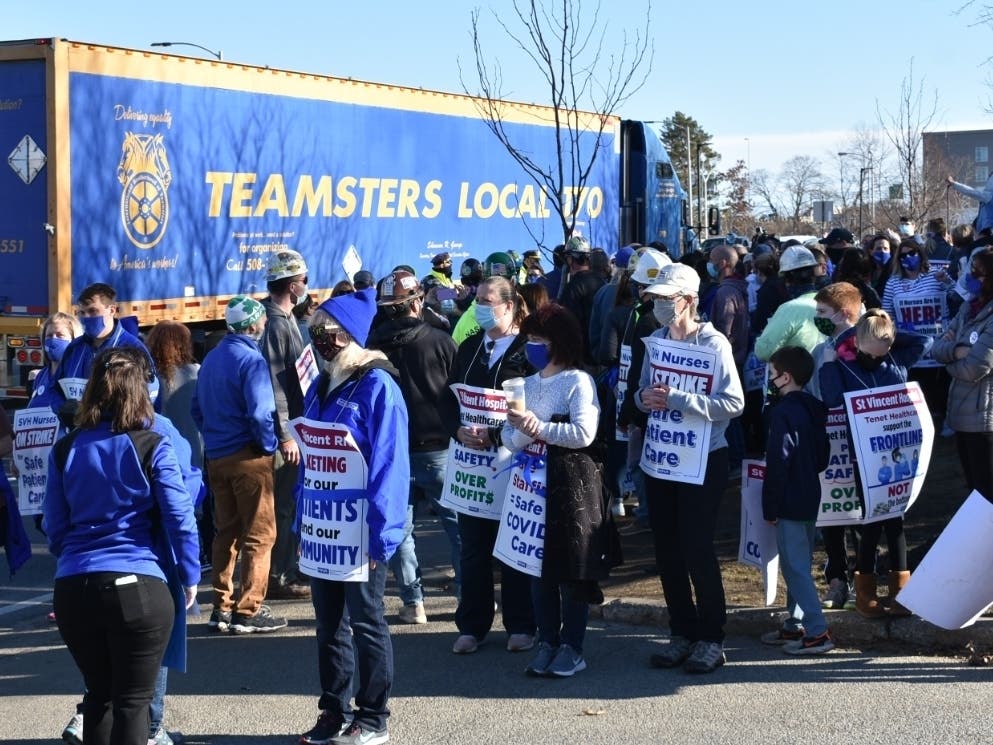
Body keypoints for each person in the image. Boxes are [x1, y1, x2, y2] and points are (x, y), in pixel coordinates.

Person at [44, 347, 199, 745]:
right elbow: (179, 516)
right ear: (142, 391)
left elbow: (54, 526)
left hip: (74, 586)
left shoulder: (65, 448)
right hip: (138, 582)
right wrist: (189, 574)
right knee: (133, 702)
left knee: (99, 697)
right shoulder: (153, 442)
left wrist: (76, 559)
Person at [298, 288, 408, 745]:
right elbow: (313, 458)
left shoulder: (378, 386)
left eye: (327, 331)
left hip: (362, 532)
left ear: (349, 336)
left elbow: (389, 466)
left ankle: (373, 716)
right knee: (329, 626)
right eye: (316, 331)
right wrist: (301, 524)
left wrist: (383, 537)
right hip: (324, 532)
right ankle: (333, 709)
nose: (319, 338)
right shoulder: (324, 383)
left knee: (365, 622)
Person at [635, 263, 745, 673]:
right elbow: (640, 395)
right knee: (667, 552)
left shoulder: (714, 344)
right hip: (661, 457)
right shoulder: (656, 341)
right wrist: (643, 398)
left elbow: (734, 404)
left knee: (697, 549)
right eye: (656, 298)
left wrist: (681, 400)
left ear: (689, 300)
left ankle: (711, 638)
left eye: (667, 298)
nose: (660, 305)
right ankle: (680, 632)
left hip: (703, 460)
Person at [502, 303, 612, 677]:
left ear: (559, 343)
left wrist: (539, 427)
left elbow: (584, 434)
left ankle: (573, 646)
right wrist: (520, 427)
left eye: (539, 339)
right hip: (532, 488)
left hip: (571, 488)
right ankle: (547, 639)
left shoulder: (578, 381)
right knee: (539, 573)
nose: (532, 346)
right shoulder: (526, 384)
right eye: (529, 338)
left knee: (571, 572)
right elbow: (509, 438)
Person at [439, 276, 537, 655]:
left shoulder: (528, 350)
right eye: (476, 299)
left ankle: (521, 624)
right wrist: (457, 429)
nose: (478, 306)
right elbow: (448, 397)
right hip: (471, 468)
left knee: (513, 544)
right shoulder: (468, 348)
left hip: (512, 463)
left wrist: (495, 435)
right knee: (473, 548)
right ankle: (473, 625)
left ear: (510, 306)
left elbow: (535, 406)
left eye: (486, 300)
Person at [819, 309, 928, 618]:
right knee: (871, 521)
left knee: (896, 522)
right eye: (871, 351)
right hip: (863, 455)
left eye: (885, 350)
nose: (878, 357)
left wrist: (886, 329)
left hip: (899, 450)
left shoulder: (895, 359)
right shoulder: (842, 364)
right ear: (858, 344)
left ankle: (900, 590)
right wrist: (837, 349)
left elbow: (925, 340)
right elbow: (831, 399)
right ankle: (866, 589)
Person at [366, 270, 462, 622]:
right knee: (457, 526)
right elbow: (460, 393)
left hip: (392, 453)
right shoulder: (440, 340)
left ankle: (413, 603)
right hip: (438, 447)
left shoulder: (371, 349)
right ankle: (469, 599)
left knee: (400, 530)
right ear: (417, 302)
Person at [193, 295, 287, 634]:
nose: (264, 326)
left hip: (217, 457)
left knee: (226, 533)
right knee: (260, 535)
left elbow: (197, 409)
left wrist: (214, 437)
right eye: (261, 322)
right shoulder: (252, 360)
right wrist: (267, 446)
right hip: (248, 456)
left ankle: (221, 607)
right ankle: (249, 610)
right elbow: (261, 413)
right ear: (252, 325)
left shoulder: (212, 359)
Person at [759, 346, 833, 654]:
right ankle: (795, 625)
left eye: (773, 374)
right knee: (797, 562)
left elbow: (778, 462)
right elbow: (822, 458)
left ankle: (818, 633)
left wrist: (770, 505)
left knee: (796, 567)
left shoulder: (782, 413)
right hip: (809, 494)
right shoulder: (812, 408)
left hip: (789, 498)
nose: (770, 379)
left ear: (785, 377)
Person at [260, 249, 313, 600]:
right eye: (305, 281)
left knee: (288, 503)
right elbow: (276, 387)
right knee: (282, 506)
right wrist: (286, 437)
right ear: (294, 286)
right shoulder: (277, 325)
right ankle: (279, 576)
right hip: (286, 433)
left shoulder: (286, 318)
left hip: (296, 425)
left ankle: (283, 568)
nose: (308, 287)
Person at [810, 282, 864, 611]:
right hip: (829, 445)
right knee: (830, 514)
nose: (817, 319)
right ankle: (836, 579)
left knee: (861, 516)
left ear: (844, 313)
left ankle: (863, 577)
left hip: (860, 446)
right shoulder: (820, 350)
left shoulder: (864, 345)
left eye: (822, 313)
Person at [932, 245, 993, 502]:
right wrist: (958, 350)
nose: (970, 277)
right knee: (974, 493)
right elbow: (937, 347)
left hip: (985, 421)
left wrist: (950, 356)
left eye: (977, 273)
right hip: (962, 416)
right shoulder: (968, 308)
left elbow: (974, 368)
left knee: (987, 493)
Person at [50, 283, 157, 414]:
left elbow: (150, 396)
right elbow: (55, 389)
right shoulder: (74, 348)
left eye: (93, 311)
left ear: (112, 310)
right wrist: (62, 408)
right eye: (82, 312)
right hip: (77, 429)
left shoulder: (132, 348)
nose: (86, 317)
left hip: (115, 430)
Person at [754, 246, 826, 361]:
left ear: (786, 280)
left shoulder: (788, 309)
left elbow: (763, 352)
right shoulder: (829, 303)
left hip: (799, 377)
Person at [27, 311, 82, 411]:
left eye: (60, 335)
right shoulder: (41, 376)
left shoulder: (78, 376)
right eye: (49, 335)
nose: (53, 339)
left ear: (74, 340)